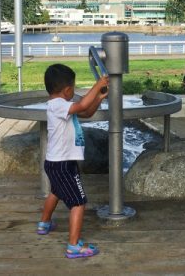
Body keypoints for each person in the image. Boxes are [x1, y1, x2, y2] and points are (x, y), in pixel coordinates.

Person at [37, 63, 109, 259]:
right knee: (78, 202)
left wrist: (99, 98)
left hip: (57, 162)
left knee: (56, 191)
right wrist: (98, 84)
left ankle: (44, 223)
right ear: (67, 90)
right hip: (63, 164)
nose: (74, 91)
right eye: (74, 88)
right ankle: (74, 245)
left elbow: (86, 112)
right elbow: (83, 105)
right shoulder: (59, 105)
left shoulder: (60, 106)